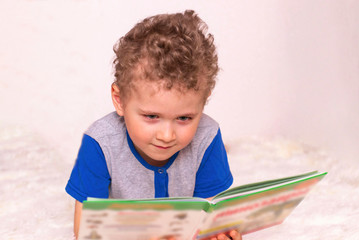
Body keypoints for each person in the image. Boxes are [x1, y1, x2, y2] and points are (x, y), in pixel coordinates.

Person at [65, 10, 242, 240]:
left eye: (184, 118)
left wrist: (217, 233)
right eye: (151, 116)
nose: (167, 135)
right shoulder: (100, 142)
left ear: (204, 101)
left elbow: (207, 214)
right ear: (120, 100)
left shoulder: (207, 136)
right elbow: (85, 231)